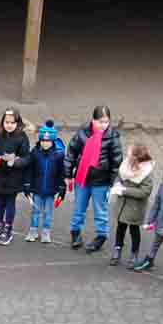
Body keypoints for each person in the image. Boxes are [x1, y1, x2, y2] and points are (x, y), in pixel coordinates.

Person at [66, 106, 122, 254]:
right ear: (93, 120)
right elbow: (71, 153)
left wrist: (112, 182)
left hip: (101, 181)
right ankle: (75, 232)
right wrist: (68, 174)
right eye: (100, 122)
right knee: (79, 208)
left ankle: (101, 236)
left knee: (100, 211)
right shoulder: (82, 133)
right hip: (82, 178)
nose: (103, 125)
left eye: (106, 122)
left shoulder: (112, 137)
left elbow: (116, 161)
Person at [0, 108, 30, 242]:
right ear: (2, 122)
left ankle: (8, 229)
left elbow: (27, 158)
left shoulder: (22, 138)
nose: (9, 125)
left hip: (13, 177)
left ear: (17, 123)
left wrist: (15, 162)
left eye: (12, 123)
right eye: (7, 122)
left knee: (10, 203)